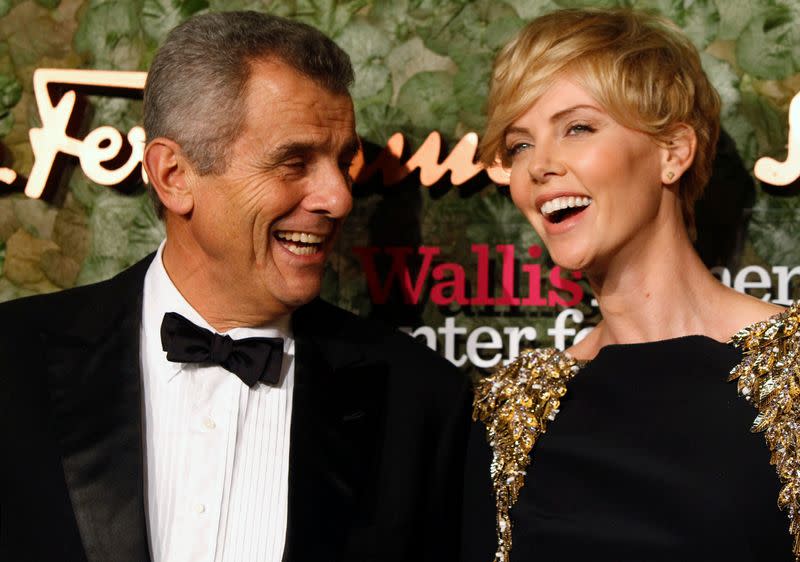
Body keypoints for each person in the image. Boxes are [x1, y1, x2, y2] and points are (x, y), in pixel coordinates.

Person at [0, 11, 471, 562]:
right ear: (175, 175)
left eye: (343, 163)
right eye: (294, 161)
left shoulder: (419, 401)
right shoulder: (12, 362)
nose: (339, 198)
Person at [462, 8, 799, 562]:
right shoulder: (510, 411)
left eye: (577, 128)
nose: (540, 166)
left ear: (673, 152)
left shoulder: (795, 367)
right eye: (520, 144)